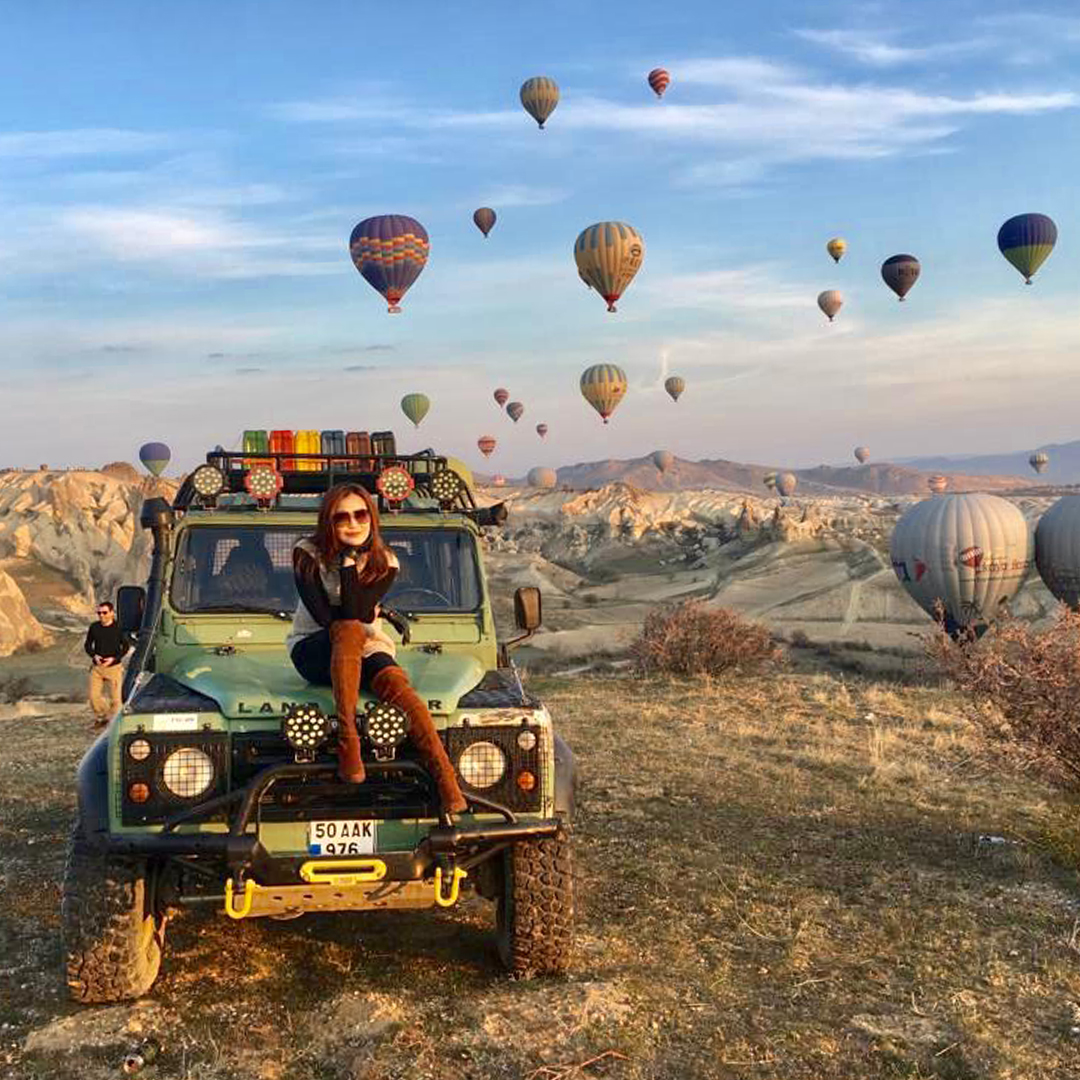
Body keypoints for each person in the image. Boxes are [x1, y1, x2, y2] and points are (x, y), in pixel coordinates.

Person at [285, 482, 468, 813]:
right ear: (328, 521)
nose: (353, 523)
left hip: (363, 646)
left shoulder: (386, 562)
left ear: (372, 516)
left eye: (360, 514)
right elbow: (327, 618)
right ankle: (348, 737)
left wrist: (350, 563)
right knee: (348, 628)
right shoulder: (305, 553)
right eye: (342, 518)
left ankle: (446, 781)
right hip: (313, 650)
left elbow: (354, 610)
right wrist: (364, 594)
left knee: (398, 684)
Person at [84, 601, 133, 726]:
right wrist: (94, 656)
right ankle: (102, 717)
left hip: (114, 668)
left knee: (116, 701)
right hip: (97, 667)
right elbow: (88, 645)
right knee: (93, 697)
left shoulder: (119, 628)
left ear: (111, 613)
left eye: (104, 612)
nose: (101, 615)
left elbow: (125, 647)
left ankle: (116, 724)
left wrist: (114, 659)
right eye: (99, 613)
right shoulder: (94, 627)